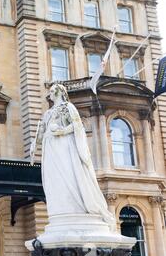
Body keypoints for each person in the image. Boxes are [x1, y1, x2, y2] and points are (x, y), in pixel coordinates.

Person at [30, 83, 115, 227]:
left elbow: (77, 126)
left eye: (51, 91)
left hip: (64, 146)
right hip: (50, 149)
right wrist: (34, 144)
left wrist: (62, 131)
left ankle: (74, 206)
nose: (49, 94)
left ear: (58, 93)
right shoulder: (48, 113)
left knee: (67, 175)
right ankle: (61, 207)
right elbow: (41, 131)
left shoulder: (68, 107)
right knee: (54, 179)